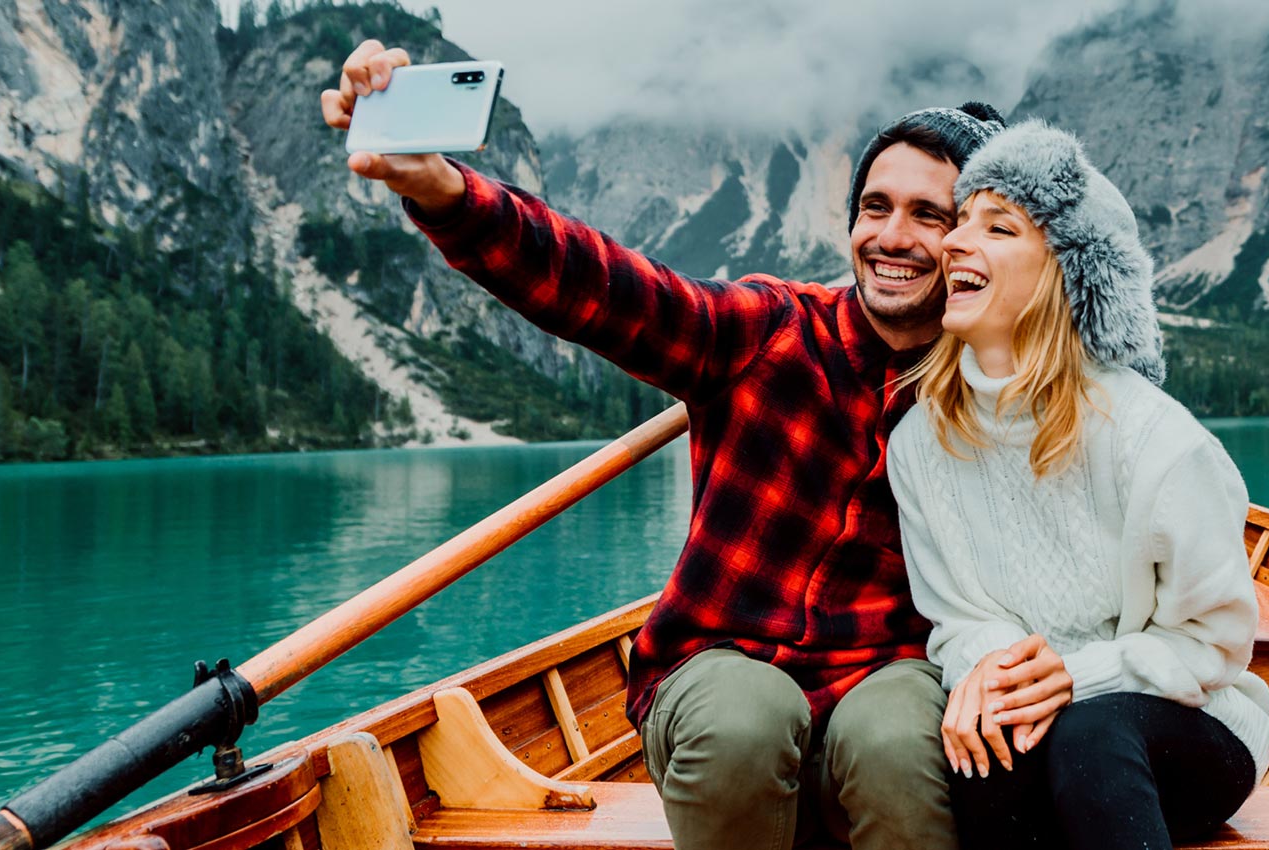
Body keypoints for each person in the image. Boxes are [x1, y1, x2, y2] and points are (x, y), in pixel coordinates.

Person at [321, 40, 1006, 850]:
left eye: (929, 215)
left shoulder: (997, 390)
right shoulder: (766, 329)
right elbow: (595, 284)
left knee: (897, 744)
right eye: (875, 207)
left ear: (970, 241)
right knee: (746, 722)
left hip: (888, 679)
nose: (893, 237)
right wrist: (439, 189)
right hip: (719, 670)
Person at [886, 121, 1269, 849]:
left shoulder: (1156, 440)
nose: (952, 243)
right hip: (1039, 718)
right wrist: (995, 672)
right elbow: (958, 615)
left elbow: (1215, 644)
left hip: (1189, 724)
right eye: (959, 221)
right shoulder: (919, 442)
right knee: (984, 750)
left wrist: (1073, 675)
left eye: (997, 227)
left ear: (1065, 270)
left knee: (1087, 733)